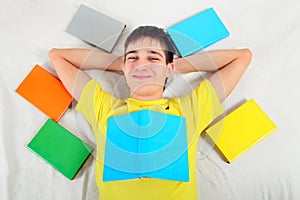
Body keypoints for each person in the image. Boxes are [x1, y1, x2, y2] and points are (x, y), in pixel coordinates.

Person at [49, 26, 252, 200]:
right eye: (133, 58)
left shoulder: (190, 109)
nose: (141, 64)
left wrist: (172, 66)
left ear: (169, 68)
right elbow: (58, 56)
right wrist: (123, 65)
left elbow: (242, 57)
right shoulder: (103, 107)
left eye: (153, 57)